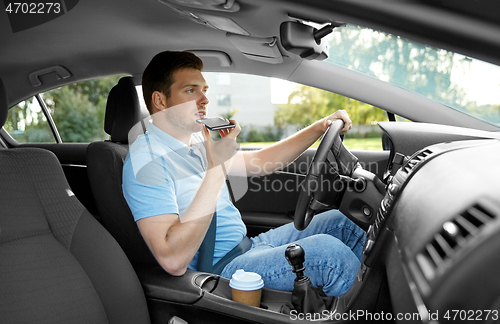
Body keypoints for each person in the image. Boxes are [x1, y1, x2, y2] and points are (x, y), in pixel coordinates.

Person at [122, 51, 366, 297]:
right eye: (190, 90)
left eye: (204, 90)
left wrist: (319, 128)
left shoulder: (195, 141)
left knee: (345, 223)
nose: (204, 99)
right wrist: (217, 165)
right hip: (222, 271)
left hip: (249, 246)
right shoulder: (146, 160)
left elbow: (260, 161)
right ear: (160, 101)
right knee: (329, 255)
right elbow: (173, 260)